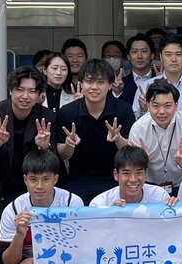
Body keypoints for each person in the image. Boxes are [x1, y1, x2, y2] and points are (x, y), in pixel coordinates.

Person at [0, 66, 54, 233]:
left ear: (39, 94)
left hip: (35, 190)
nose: (25, 96)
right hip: (0, 191)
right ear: (10, 90)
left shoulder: (48, 117)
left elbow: (56, 161)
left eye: (32, 91)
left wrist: (44, 147)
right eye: (20, 90)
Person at [54, 59, 136, 203]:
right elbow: (62, 154)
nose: (94, 87)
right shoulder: (67, 112)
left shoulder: (123, 110)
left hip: (116, 179)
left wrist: (118, 139)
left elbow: (131, 151)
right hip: (79, 181)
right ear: (81, 83)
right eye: (89, 81)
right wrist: (69, 144)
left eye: (100, 82)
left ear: (110, 85)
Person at [127, 81, 182, 195]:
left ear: (176, 105)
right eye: (156, 106)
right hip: (148, 187)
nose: (161, 112)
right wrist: (142, 161)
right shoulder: (138, 128)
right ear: (147, 105)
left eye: (167, 106)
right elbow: (131, 171)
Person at [91, 146, 178, 207]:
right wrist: (111, 215)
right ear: (116, 174)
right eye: (126, 173)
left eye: (139, 172)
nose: (133, 179)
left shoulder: (160, 196)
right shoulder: (99, 204)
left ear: (146, 173)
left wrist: (175, 209)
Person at [114, 33, 158, 107]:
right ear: (128, 56)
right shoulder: (121, 84)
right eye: (134, 51)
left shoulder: (161, 80)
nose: (139, 56)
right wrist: (117, 93)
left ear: (152, 55)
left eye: (144, 51)